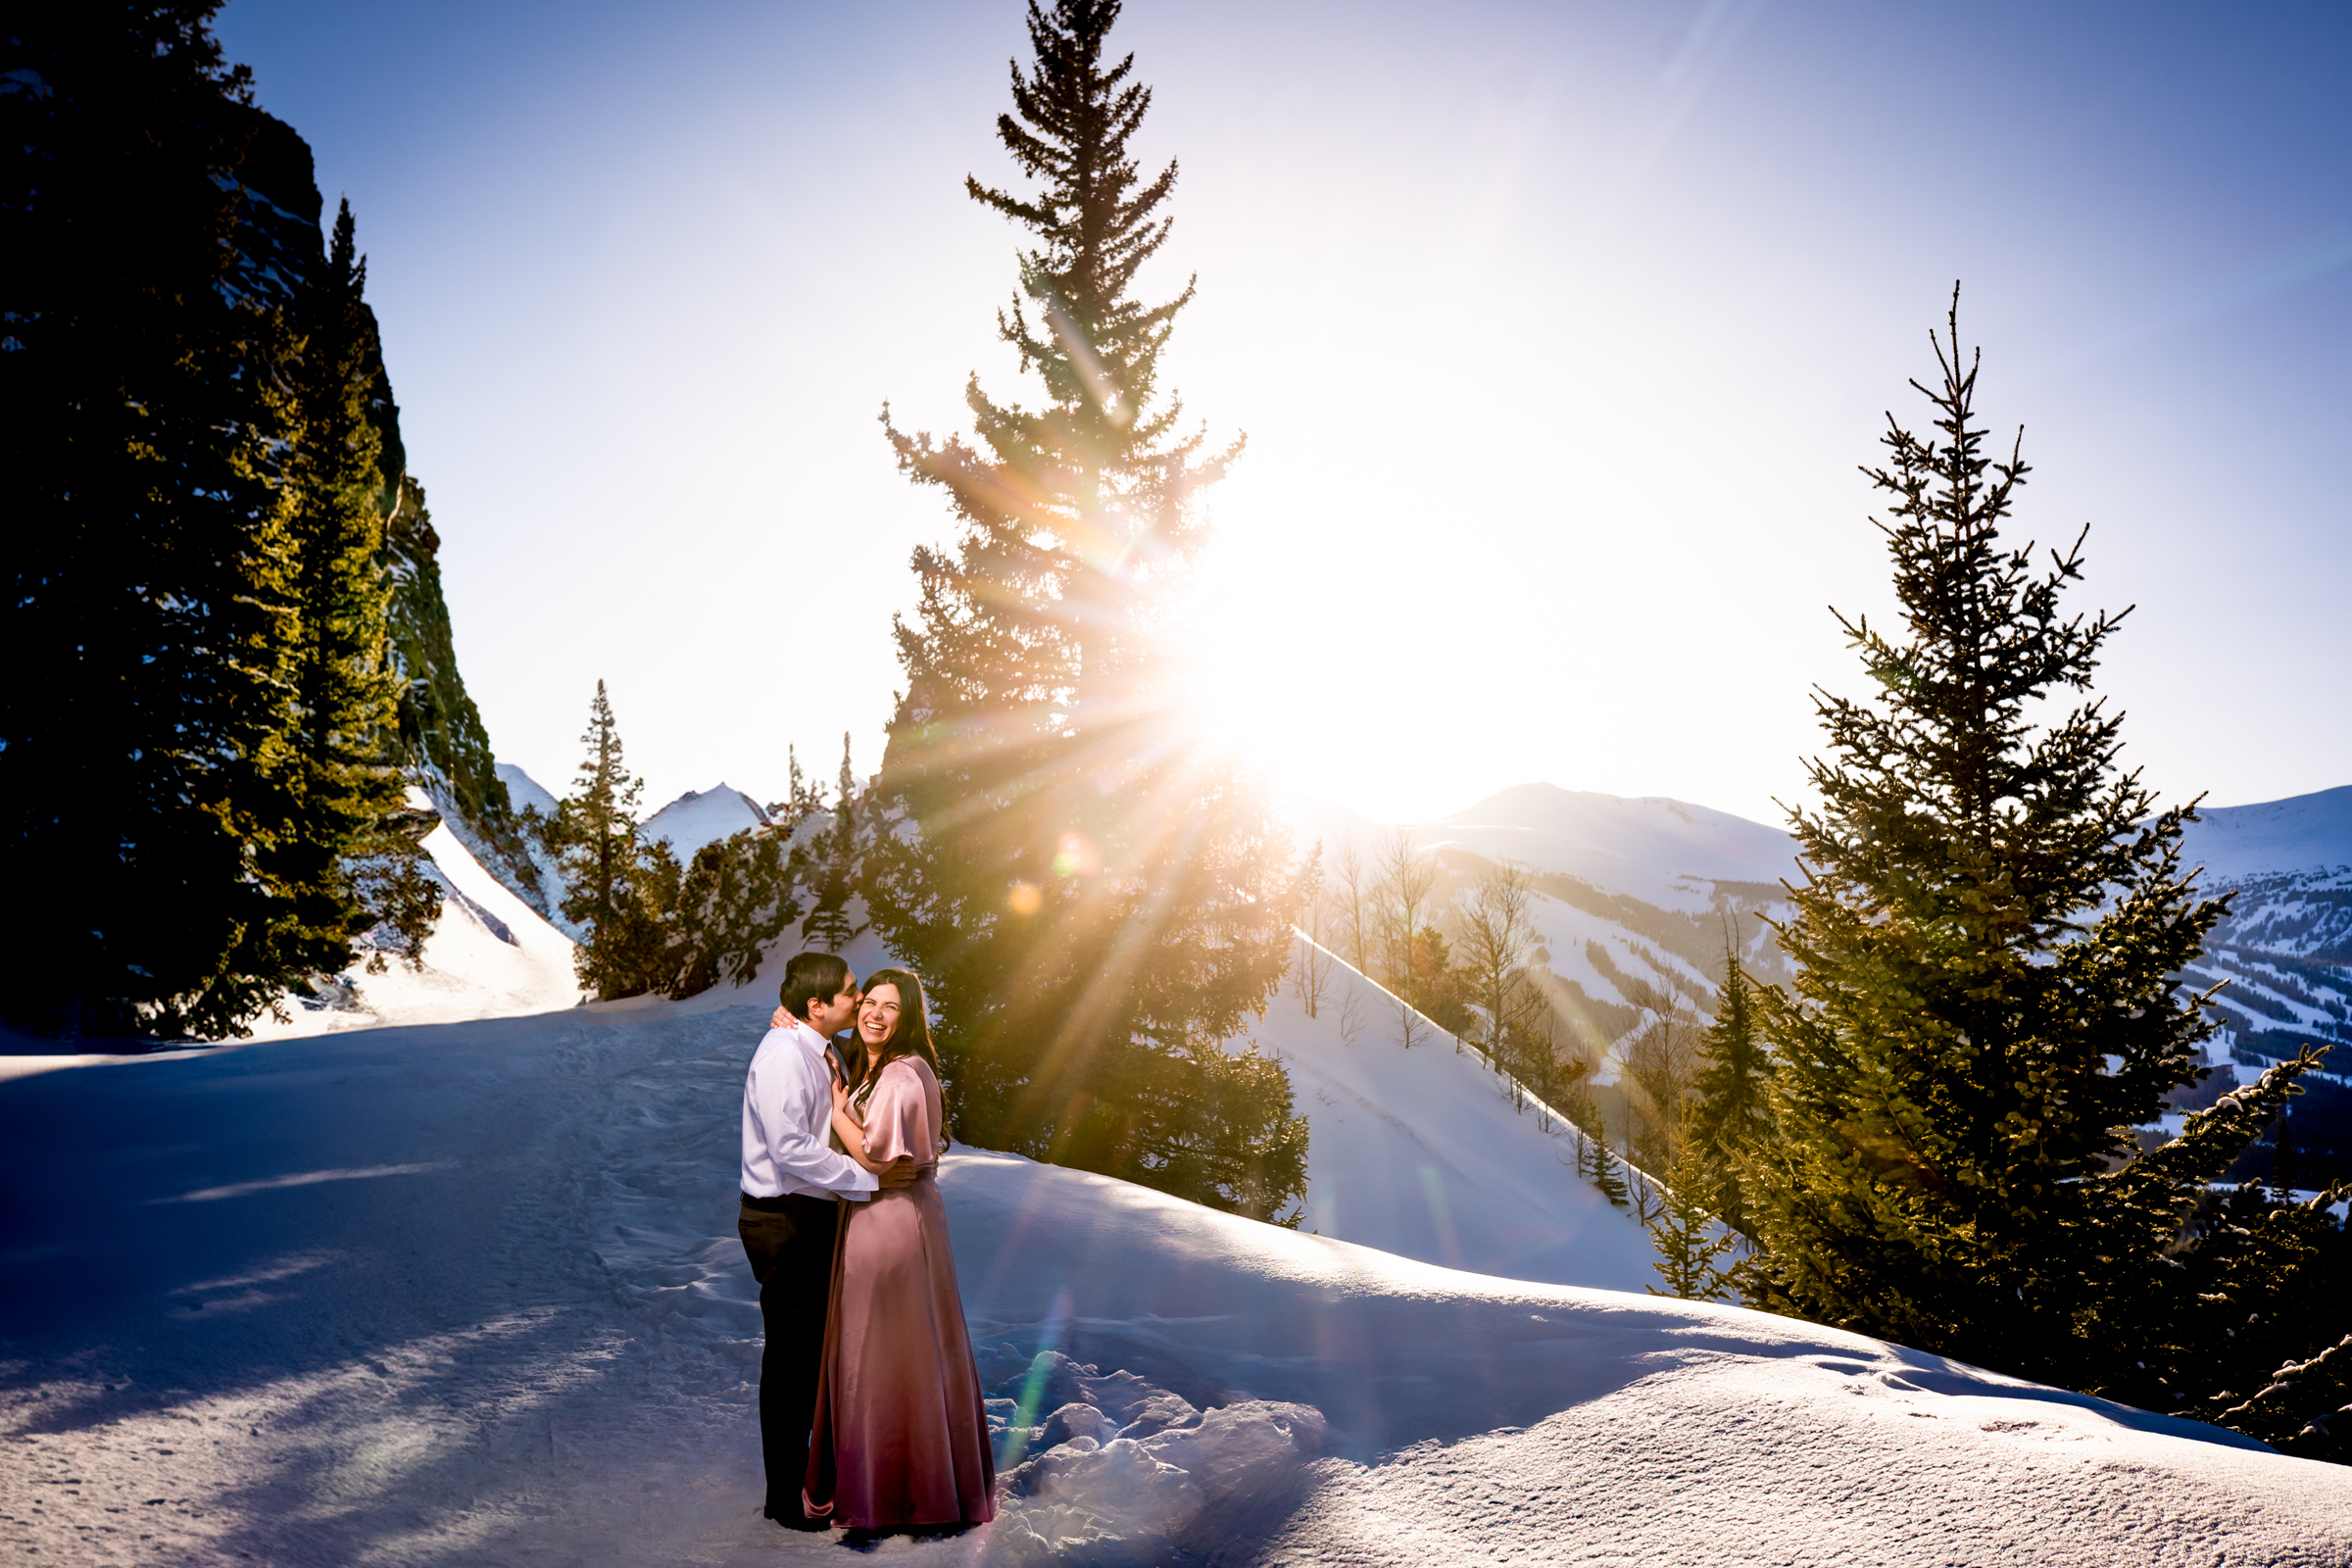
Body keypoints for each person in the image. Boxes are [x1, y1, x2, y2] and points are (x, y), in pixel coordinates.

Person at [804, 966, 997, 1534]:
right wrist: (800, 1021)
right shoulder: (887, 1068)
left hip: (890, 1223)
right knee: (906, 1351)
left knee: (884, 1355)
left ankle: (892, 1493)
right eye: (869, 1002)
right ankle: (913, 1480)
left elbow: (874, 1156)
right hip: (897, 1219)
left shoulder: (902, 1078)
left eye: (891, 1006)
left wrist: (836, 1108)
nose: (875, 1014)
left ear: (908, 1017)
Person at [739, 952, 918, 1532]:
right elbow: (790, 1149)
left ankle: (810, 1482)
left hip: (809, 1218)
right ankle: (784, 1501)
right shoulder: (786, 1055)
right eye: (848, 992)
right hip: (785, 1220)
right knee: (792, 1363)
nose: (858, 997)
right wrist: (867, 1179)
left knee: (810, 1358)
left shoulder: (814, 1046)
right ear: (816, 1006)